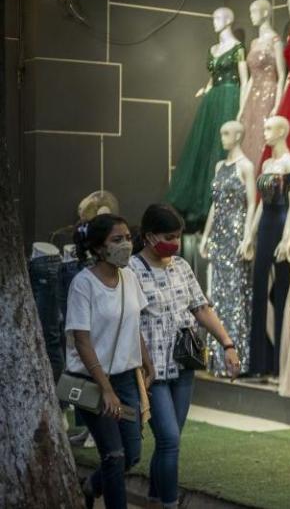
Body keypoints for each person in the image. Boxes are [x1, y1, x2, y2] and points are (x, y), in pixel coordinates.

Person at [130, 204, 240, 509]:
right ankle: (169, 502)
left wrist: (228, 344)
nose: (175, 242)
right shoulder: (130, 270)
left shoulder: (181, 266)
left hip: (184, 365)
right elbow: (127, 322)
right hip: (151, 370)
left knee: (170, 441)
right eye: (169, 236)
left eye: (178, 236)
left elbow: (201, 308)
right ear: (150, 237)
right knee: (169, 440)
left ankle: (153, 498)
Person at [65, 214, 153, 509]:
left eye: (128, 238)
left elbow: (133, 322)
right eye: (117, 240)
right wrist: (105, 388)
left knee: (132, 453)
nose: (126, 244)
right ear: (99, 247)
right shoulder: (82, 284)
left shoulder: (130, 277)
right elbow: (82, 340)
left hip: (127, 378)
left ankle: (91, 486)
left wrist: (145, 357)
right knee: (114, 455)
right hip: (92, 381)